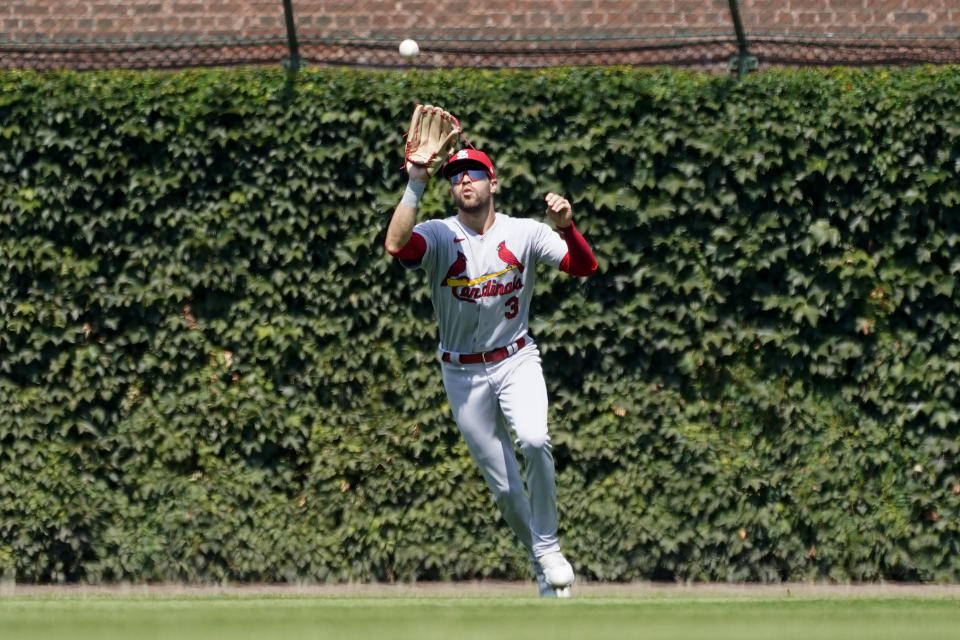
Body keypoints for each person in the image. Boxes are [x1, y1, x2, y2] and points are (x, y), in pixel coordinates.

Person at [384, 148, 597, 597]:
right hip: (462, 375)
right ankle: (542, 564)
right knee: (504, 490)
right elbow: (396, 245)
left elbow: (584, 267)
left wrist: (566, 227)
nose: (465, 180)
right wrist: (416, 182)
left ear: (493, 182)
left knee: (536, 439)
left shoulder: (524, 233)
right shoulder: (438, 234)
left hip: (516, 358)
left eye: (474, 173)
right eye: (456, 174)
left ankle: (548, 545)